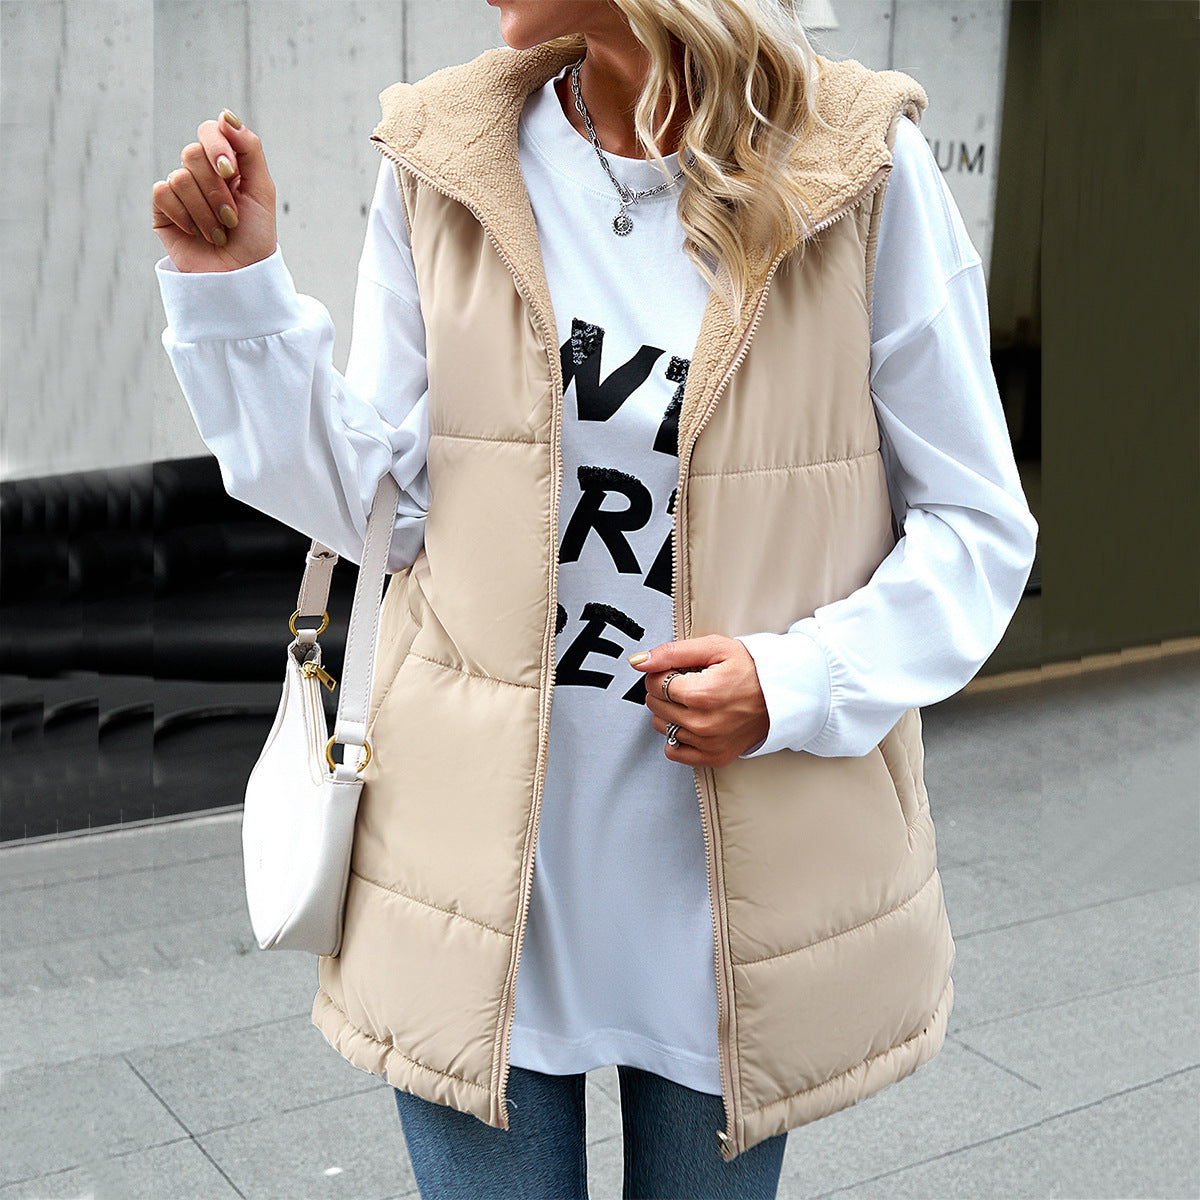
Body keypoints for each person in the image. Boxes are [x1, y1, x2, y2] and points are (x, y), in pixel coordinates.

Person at [152, 2, 1037, 1196]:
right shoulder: (447, 157)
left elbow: (978, 526)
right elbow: (383, 511)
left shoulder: (860, 165)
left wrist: (796, 683)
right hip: (474, 883)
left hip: (731, 889)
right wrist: (236, 300)